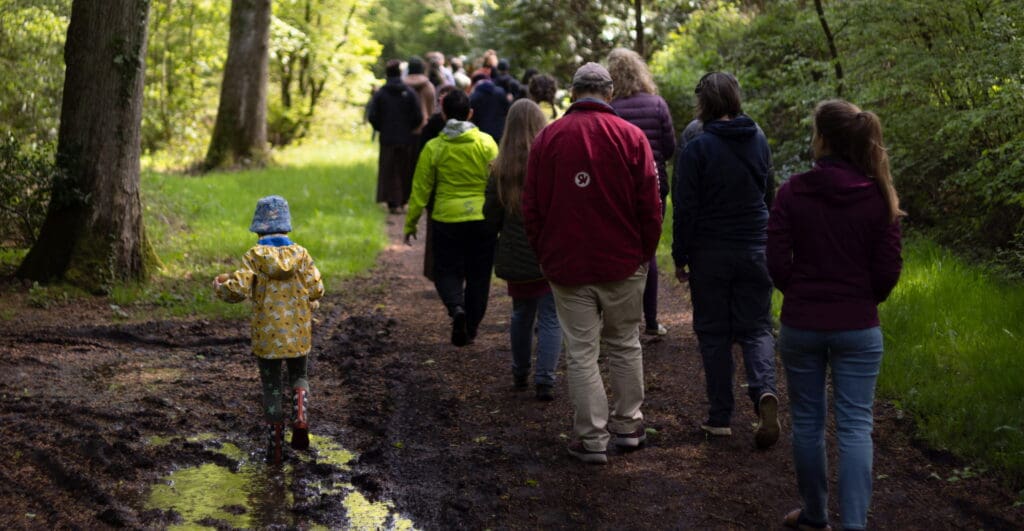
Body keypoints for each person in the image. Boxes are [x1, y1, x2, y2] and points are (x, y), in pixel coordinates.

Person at [768, 99, 903, 531]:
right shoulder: (877, 195)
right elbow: (887, 270)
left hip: (803, 323)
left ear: (823, 139)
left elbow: (775, 259)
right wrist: (863, 299)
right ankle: (854, 525)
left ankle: (814, 515)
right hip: (858, 326)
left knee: (807, 422)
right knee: (855, 426)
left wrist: (800, 291)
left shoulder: (792, 190)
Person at [523, 63, 662, 464]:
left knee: (582, 351)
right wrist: (643, 255)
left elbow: (531, 206)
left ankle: (591, 438)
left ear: (572, 93)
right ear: (610, 92)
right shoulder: (632, 137)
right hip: (622, 262)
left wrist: (544, 254)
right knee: (623, 343)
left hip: (567, 265)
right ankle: (629, 426)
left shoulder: (549, 137)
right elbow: (650, 208)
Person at [671, 71, 780, 448]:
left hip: (711, 251)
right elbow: (769, 193)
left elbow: (685, 208)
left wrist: (680, 255)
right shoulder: (759, 138)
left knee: (714, 332)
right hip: (755, 247)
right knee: (757, 328)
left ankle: (720, 418)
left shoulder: (697, 146)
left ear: (704, 103)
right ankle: (765, 391)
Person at [213, 195, 324, 464]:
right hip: (298, 330)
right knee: (299, 375)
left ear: (259, 228)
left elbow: (238, 289)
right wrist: (312, 299)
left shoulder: (254, 256)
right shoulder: (301, 254)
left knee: (271, 387)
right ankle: (300, 416)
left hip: (267, 335)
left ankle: (274, 448)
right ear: (286, 226)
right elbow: (316, 288)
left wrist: (220, 287)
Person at [404, 90, 499, 347]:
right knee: (479, 275)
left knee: (446, 269)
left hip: (446, 218)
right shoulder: (487, 143)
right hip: (482, 219)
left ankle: (456, 308)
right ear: (470, 114)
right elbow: (498, 182)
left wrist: (411, 222)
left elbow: (420, 188)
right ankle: (472, 325)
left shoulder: (434, 147)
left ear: (443, 114)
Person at [483, 99, 562, 401]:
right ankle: (545, 379)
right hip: (547, 251)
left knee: (521, 314)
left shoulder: (500, 168)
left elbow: (490, 216)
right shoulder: (551, 162)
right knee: (551, 316)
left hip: (516, 253)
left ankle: (520, 372)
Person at [607, 47, 676, 337]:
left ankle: (618, 321)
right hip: (654, 185)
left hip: (617, 190)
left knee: (616, 248)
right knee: (647, 249)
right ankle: (650, 320)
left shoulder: (611, 109)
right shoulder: (657, 104)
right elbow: (670, 148)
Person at [367, 59, 424, 214]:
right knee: (404, 170)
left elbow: (372, 116)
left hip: (387, 138)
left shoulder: (381, 94)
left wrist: (382, 128)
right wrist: (409, 129)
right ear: (399, 73)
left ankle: (392, 202)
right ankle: (403, 200)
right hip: (406, 138)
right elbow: (418, 116)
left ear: (387, 74)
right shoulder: (409, 92)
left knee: (389, 169)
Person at [470, 72, 511, 142]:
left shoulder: (474, 97)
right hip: (499, 132)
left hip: (481, 134)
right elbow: (507, 110)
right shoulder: (500, 92)